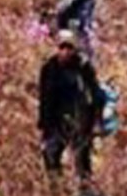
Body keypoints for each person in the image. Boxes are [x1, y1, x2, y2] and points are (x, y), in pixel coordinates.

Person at [38, 31, 103, 180]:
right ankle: (56, 187)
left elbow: (95, 94)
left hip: (79, 118)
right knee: (51, 155)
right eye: (62, 48)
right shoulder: (49, 68)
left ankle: (85, 186)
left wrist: (96, 121)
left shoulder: (83, 66)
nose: (65, 52)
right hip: (55, 120)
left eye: (69, 48)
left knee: (82, 159)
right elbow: (44, 98)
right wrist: (44, 124)